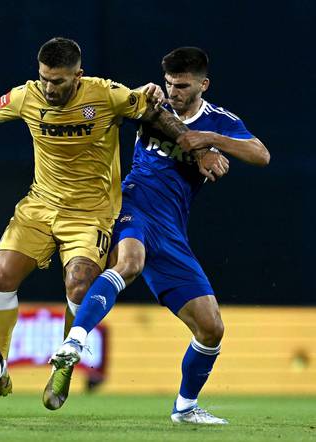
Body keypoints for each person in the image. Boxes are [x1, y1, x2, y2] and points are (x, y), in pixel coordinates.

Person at [0, 37, 210, 407]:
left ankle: (63, 369)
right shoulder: (26, 97)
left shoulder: (106, 95)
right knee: (2, 274)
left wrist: (199, 150)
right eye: (44, 78)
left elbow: (154, 113)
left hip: (91, 212)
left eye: (58, 81)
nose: (49, 88)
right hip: (40, 205)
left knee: (78, 284)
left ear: (78, 76)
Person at [46, 47, 270, 423]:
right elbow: (108, 103)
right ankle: (75, 342)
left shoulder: (219, 120)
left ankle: (184, 408)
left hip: (172, 229)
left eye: (181, 86)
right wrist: (138, 91)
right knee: (130, 261)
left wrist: (210, 140)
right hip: (134, 200)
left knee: (211, 327)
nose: (173, 91)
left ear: (203, 84)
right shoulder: (152, 104)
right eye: (168, 83)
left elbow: (261, 155)